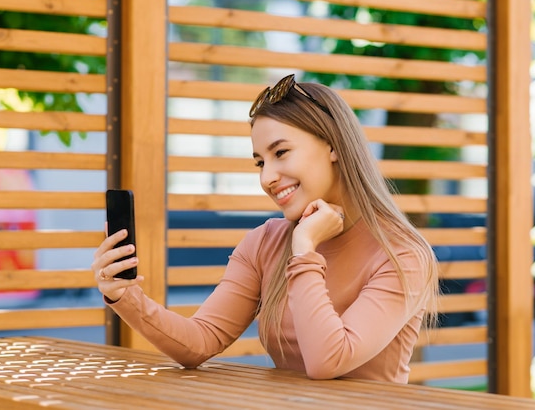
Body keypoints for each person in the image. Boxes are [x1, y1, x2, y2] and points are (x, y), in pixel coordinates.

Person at [92, 73, 439, 383]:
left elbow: (328, 360)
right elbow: (199, 341)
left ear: (333, 145)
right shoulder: (265, 242)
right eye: (260, 161)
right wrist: (125, 295)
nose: (267, 177)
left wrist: (305, 248)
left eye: (281, 152)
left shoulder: (401, 254)